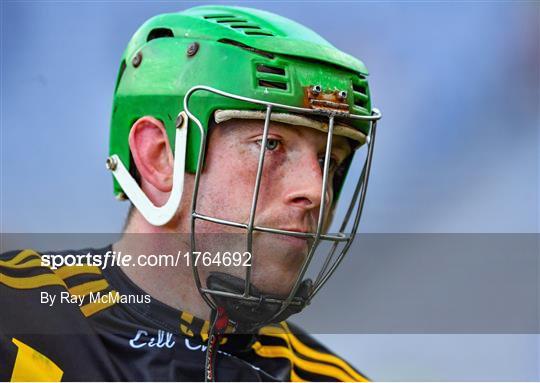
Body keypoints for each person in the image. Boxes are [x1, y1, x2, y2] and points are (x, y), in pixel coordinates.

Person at [0, 5, 380, 381]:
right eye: (270, 144)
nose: (315, 190)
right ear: (159, 156)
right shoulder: (14, 321)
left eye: (328, 161)